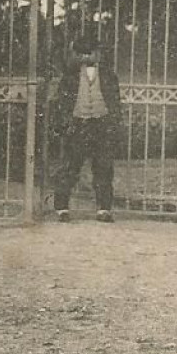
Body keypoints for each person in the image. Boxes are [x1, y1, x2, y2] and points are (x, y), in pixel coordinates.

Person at [50, 29, 122, 222]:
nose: (87, 57)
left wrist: (113, 122)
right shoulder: (70, 77)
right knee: (70, 166)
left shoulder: (108, 75)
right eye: (83, 53)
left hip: (101, 123)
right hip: (78, 123)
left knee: (104, 166)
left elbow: (115, 101)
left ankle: (104, 208)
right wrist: (63, 124)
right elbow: (62, 102)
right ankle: (62, 207)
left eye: (90, 53)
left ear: (98, 53)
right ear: (77, 55)